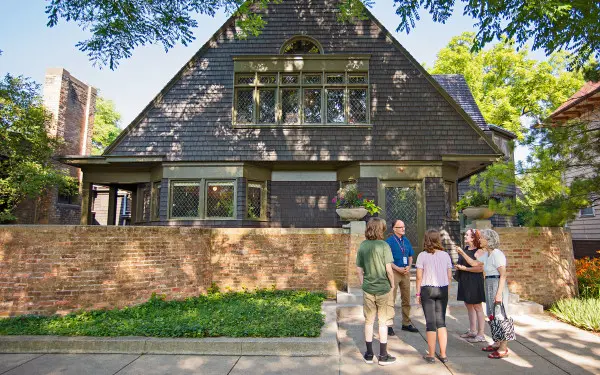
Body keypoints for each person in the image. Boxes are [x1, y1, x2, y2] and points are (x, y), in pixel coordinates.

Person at [456, 228, 510, 359]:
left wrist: (499, 294)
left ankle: (504, 348)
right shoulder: (487, 254)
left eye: (483, 237)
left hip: (497, 284)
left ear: (489, 240)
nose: (480, 239)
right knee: (492, 315)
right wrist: (462, 253)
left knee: (500, 315)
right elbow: (474, 263)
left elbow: (503, 275)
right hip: (489, 283)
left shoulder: (497, 254)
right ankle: (497, 342)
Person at [356, 217, 397, 366]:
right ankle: (383, 356)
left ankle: (368, 354)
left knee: (368, 321)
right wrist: (392, 285)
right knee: (383, 322)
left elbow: (359, 271)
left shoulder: (363, 246)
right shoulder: (384, 245)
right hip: (383, 289)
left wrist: (363, 284)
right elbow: (389, 270)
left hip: (368, 288)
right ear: (381, 229)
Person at [415, 229, 453, 364]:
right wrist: (447, 289)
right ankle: (443, 354)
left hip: (427, 289)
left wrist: (418, 293)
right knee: (441, 321)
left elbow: (419, 277)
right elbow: (449, 276)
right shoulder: (445, 255)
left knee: (430, 322)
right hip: (442, 289)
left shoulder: (422, 256)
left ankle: (431, 354)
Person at [385, 219, 419, 335]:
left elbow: (410, 256)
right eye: (400, 227)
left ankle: (406, 323)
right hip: (394, 272)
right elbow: (387, 260)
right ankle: (389, 325)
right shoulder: (389, 241)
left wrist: (409, 266)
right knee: (391, 299)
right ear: (394, 229)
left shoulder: (406, 241)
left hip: (405, 272)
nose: (403, 229)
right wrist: (397, 268)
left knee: (406, 299)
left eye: (404, 227)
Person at [455, 229, 486, 343]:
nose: (465, 236)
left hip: (475, 280)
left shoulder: (480, 251)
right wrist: (459, 267)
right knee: (468, 305)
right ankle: (472, 330)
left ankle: (481, 333)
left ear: (473, 237)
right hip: (465, 280)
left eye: (467, 235)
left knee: (477, 306)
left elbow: (479, 268)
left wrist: (465, 268)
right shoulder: (465, 249)